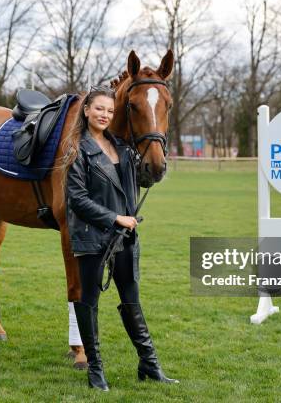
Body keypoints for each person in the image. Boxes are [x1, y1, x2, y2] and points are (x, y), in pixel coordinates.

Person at [62, 85, 178, 391]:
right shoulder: (76, 149)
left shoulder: (123, 147)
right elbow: (77, 199)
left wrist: (156, 156)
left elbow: (139, 180)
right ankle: (95, 371)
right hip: (92, 237)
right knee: (88, 302)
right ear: (86, 110)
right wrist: (114, 218)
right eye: (99, 109)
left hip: (125, 238)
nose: (104, 115)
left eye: (110, 111)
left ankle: (149, 365)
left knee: (132, 300)